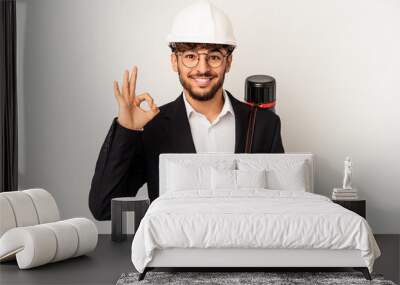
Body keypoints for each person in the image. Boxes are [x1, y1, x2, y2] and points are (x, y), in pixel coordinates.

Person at [89, 0, 284, 221]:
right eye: (190, 56)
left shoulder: (263, 125)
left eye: (214, 57)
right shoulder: (154, 127)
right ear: (175, 61)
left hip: (245, 250)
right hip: (176, 254)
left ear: (228, 62)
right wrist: (127, 130)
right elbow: (103, 207)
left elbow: (282, 205)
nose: (202, 68)